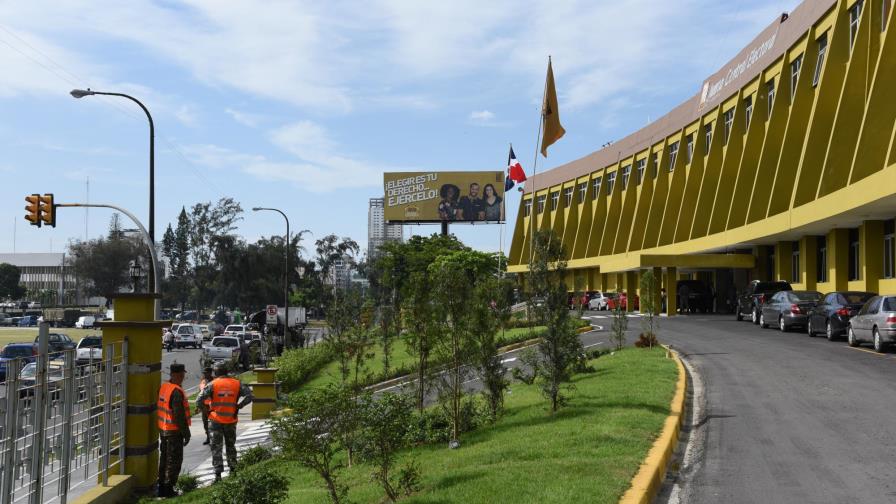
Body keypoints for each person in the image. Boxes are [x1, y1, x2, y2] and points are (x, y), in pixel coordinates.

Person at [197, 363, 254, 482]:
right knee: (230, 446)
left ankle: (218, 475)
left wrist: (206, 411)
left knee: (216, 447)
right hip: (231, 420)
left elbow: (199, 400)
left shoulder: (212, 384)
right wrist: (239, 406)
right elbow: (249, 396)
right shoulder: (237, 383)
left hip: (215, 421)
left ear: (216, 373)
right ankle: (233, 470)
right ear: (227, 372)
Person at [157, 363, 191, 497]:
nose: (183, 377)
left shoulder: (164, 387)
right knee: (174, 460)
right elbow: (179, 416)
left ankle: (161, 487)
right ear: (176, 375)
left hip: (164, 429)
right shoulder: (176, 391)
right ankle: (169, 489)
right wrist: (186, 433)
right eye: (182, 374)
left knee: (164, 459)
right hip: (174, 431)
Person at [198, 367, 213, 445]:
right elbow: (199, 393)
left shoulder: (214, 381)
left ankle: (213, 437)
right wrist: (198, 406)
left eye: (206, 373)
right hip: (204, 406)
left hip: (212, 406)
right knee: (205, 422)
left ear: (210, 373)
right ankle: (208, 437)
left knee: (213, 423)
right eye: (204, 373)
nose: (205, 374)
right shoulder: (203, 381)